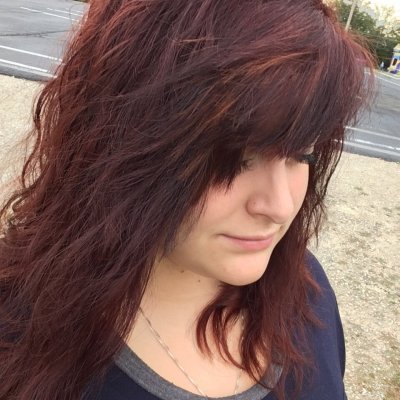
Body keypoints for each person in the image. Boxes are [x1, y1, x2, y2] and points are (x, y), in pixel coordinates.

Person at [0, 0, 374, 399]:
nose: (280, 206)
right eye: (235, 158)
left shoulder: (307, 293)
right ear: (125, 138)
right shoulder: (19, 330)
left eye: (302, 154)